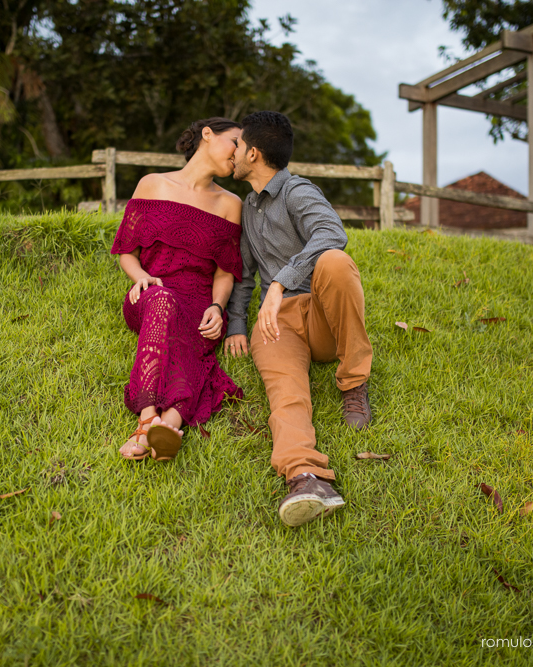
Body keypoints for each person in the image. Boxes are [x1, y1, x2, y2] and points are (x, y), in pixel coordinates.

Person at [224, 110, 373, 527]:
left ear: (252, 153)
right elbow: (244, 274)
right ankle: (307, 477)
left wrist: (281, 284)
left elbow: (331, 232)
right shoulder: (249, 209)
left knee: (336, 262)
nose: (232, 153)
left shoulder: (296, 190)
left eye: (236, 146)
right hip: (277, 327)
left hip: (319, 314)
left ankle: (354, 383)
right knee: (286, 395)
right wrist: (237, 323)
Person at [112, 118, 245, 462]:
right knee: (162, 299)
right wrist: (140, 276)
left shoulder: (231, 204)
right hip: (150, 294)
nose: (239, 153)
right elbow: (126, 251)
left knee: (190, 345)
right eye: (235, 142)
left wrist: (217, 308)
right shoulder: (152, 184)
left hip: (200, 306)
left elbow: (225, 273)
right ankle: (146, 419)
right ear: (207, 135)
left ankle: (166, 424)